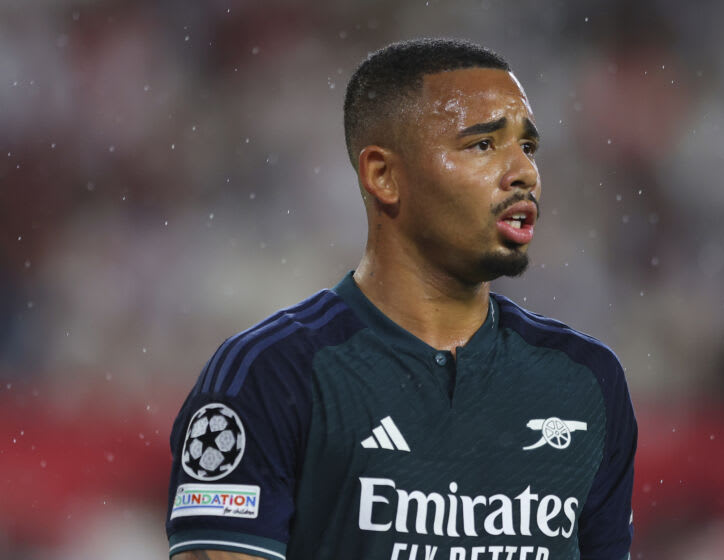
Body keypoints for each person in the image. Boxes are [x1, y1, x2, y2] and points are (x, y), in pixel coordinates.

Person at [166, 38, 637, 560]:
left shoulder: (586, 381)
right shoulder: (270, 375)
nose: (523, 172)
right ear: (383, 175)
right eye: (483, 145)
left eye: (527, 147)